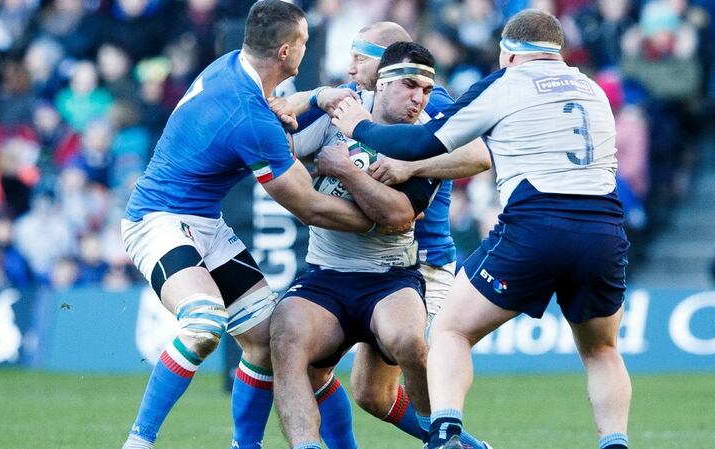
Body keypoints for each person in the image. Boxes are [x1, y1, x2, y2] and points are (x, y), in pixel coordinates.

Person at [333, 9, 632, 449]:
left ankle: (447, 432)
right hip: (604, 230)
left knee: (452, 331)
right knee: (602, 351)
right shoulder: (591, 88)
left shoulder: (505, 83)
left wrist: (358, 126)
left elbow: (422, 141)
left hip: (536, 224)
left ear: (508, 53)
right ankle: (616, 442)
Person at [118, 2, 388, 448]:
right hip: (157, 220)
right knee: (203, 322)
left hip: (204, 221)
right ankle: (139, 442)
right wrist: (378, 220)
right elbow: (311, 208)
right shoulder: (248, 115)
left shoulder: (230, 68)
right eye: (303, 42)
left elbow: (268, 112)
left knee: (266, 340)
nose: (306, 49)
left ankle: (245, 446)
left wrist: (319, 96)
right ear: (286, 51)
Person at [278, 22, 491, 449]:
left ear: (390, 60)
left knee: (390, 366)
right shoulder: (344, 102)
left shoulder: (426, 107)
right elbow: (276, 126)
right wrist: (311, 97)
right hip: (337, 266)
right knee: (358, 388)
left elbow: (480, 154)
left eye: (361, 57)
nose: (351, 66)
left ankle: (450, 440)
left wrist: (410, 164)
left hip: (419, 259)